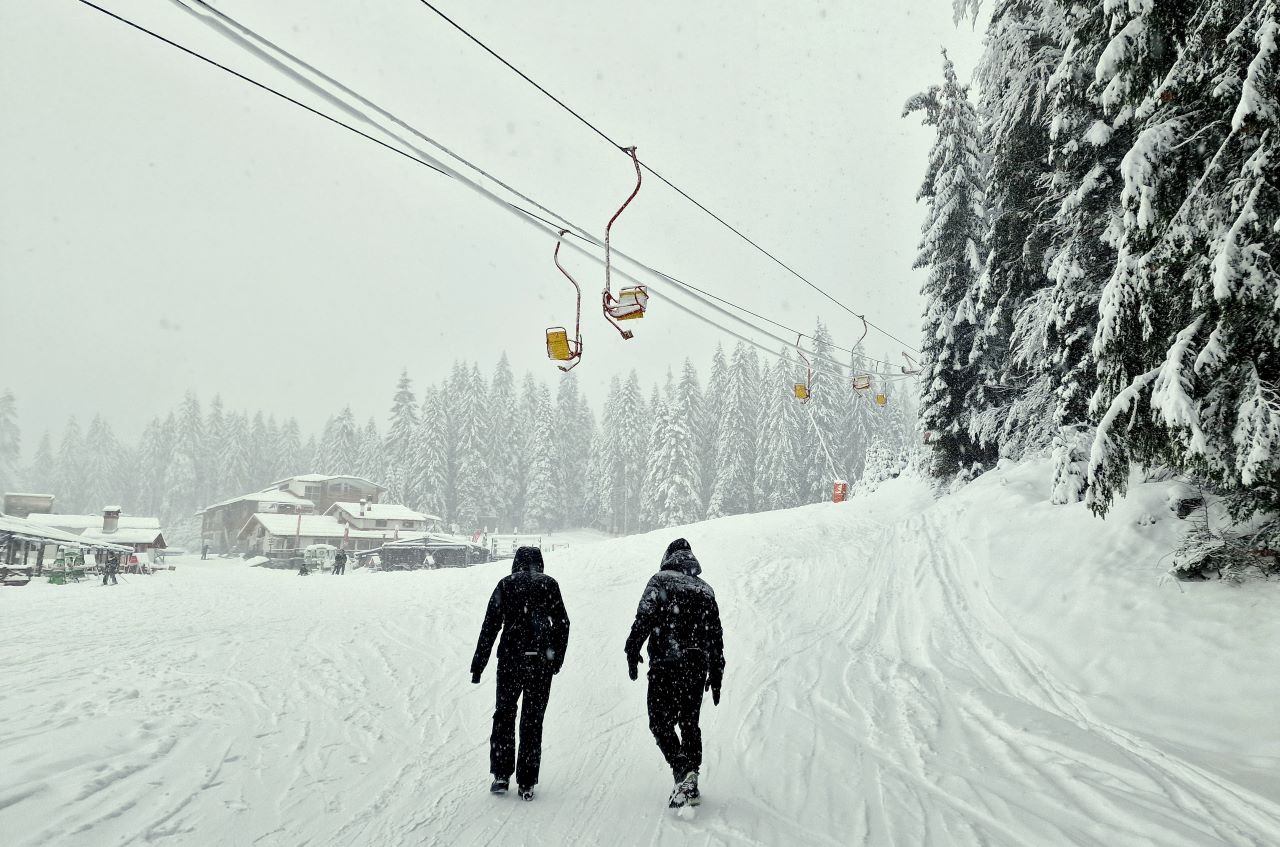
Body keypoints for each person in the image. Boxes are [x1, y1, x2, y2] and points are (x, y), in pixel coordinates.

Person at [625, 538, 725, 809]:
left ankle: (682, 770)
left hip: (665, 664)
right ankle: (690, 780)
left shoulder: (660, 581)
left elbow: (643, 618)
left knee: (659, 722)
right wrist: (716, 674)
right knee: (689, 722)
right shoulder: (706, 590)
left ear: (668, 557)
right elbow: (715, 638)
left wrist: (632, 651)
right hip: (696, 666)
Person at [471, 546, 570, 802]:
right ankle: (527, 781)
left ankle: (501, 775)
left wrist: (478, 663)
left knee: (504, 715)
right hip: (540, 663)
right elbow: (562, 623)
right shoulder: (549, 584)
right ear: (540, 562)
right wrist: (556, 658)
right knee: (532, 720)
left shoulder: (506, 584)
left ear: (516, 562)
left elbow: (490, 625)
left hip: (510, 661)